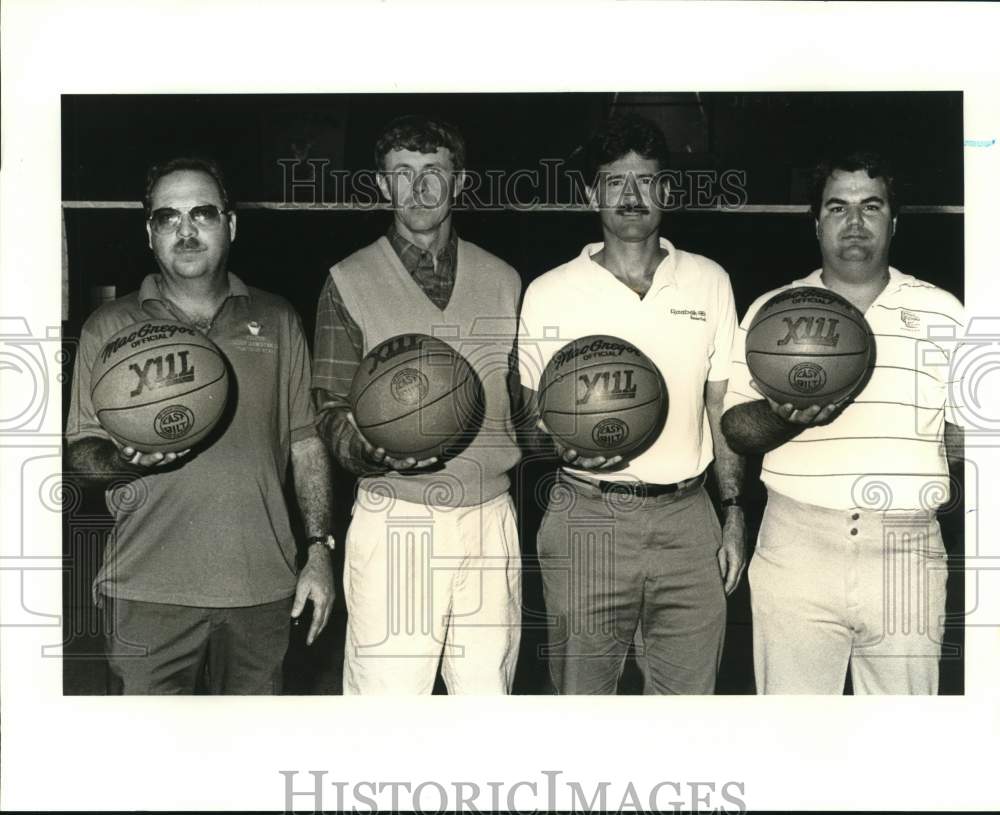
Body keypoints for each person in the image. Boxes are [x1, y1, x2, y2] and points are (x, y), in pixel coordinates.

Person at [65, 157, 334, 694]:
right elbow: (81, 452)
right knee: (150, 767)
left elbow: (306, 445)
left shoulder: (279, 319)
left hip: (261, 589)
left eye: (203, 214)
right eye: (168, 218)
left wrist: (320, 551)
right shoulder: (109, 326)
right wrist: (122, 460)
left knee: (251, 765)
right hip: (145, 591)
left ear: (230, 225)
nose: (185, 231)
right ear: (149, 233)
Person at [517, 113, 746, 695]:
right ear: (592, 192)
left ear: (665, 191)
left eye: (646, 180)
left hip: (687, 518)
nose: (631, 195)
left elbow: (719, 409)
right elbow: (527, 420)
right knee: (583, 702)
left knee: (687, 708)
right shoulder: (549, 291)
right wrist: (559, 444)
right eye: (615, 181)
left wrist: (734, 511)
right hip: (587, 517)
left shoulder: (709, 280)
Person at [721, 151, 965, 694]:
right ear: (816, 223)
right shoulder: (771, 310)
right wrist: (785, 420)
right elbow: (737, 428)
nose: (854, 223)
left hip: (906, 549)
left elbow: (967, 437)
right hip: (796, 545)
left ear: (894, 221)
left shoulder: (946, 311)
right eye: (838, 207)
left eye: (870, 206)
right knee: (793, 738)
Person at [312, 115, 522, 694]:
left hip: (490, 518)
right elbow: (329, 408)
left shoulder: (504, 279)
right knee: (388, 713)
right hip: (398, 520)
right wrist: (375, 452)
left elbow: (522, 406)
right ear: (383, 186)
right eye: (403, 173)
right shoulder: (347, 280)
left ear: (459, 182)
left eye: (434, 171)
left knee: (486, 705)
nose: (420, 187)